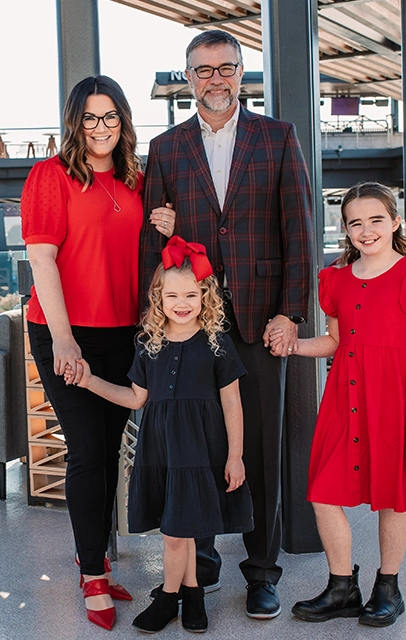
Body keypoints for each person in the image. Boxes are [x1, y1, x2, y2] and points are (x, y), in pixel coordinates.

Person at [141, 29, 313, 619]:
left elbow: (299, 234)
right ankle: (202, 560)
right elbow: (155, 248)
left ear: (243, 73)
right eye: (203, 70)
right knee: (199, 445)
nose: (216, 78)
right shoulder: (164, 150)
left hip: (262, 320)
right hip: (194, 326)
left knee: (260, 448)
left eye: (226, 68)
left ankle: (263, 569)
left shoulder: (278, 137)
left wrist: (291, 314)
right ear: (187, 78)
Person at [21, 75, 169, 631]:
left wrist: (168, 223)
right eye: (91, 118)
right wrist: (63, 339)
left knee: (110, 453)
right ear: (74, 123)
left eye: (111, 117)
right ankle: (91, 575)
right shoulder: (49, 177)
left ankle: (98, 558)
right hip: (65, 331)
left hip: (123, 332)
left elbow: (154, 246)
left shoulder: (138, 179)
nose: (102, 128)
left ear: (124, 123)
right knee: (86, 451)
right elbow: (42, 261)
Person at [66, 236, 254, 633]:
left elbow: (232, 402)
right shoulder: (148, 343)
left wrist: (235, 456)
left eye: (191, 294)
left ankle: (170, 599)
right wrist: (89, 381)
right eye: (172, 295)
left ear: (205, 296)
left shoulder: (216, 342)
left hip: (200, 450)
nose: (181, 303)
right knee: (178, 529)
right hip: (161, 449)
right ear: (159, 298)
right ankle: (193, 595)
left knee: (175, 533)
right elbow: (135, 398)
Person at [281, 182, 406, 627]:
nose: (366, 230)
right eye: (355, 222)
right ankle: (341, 588)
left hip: (395, 402)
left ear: (395, 222)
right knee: (323, 491)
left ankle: (388, 587)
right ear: (345, 229)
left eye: (375, 220)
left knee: (394, 497)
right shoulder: (336, 279)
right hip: (344, 398)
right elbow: (334, 341)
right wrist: (292, 345)